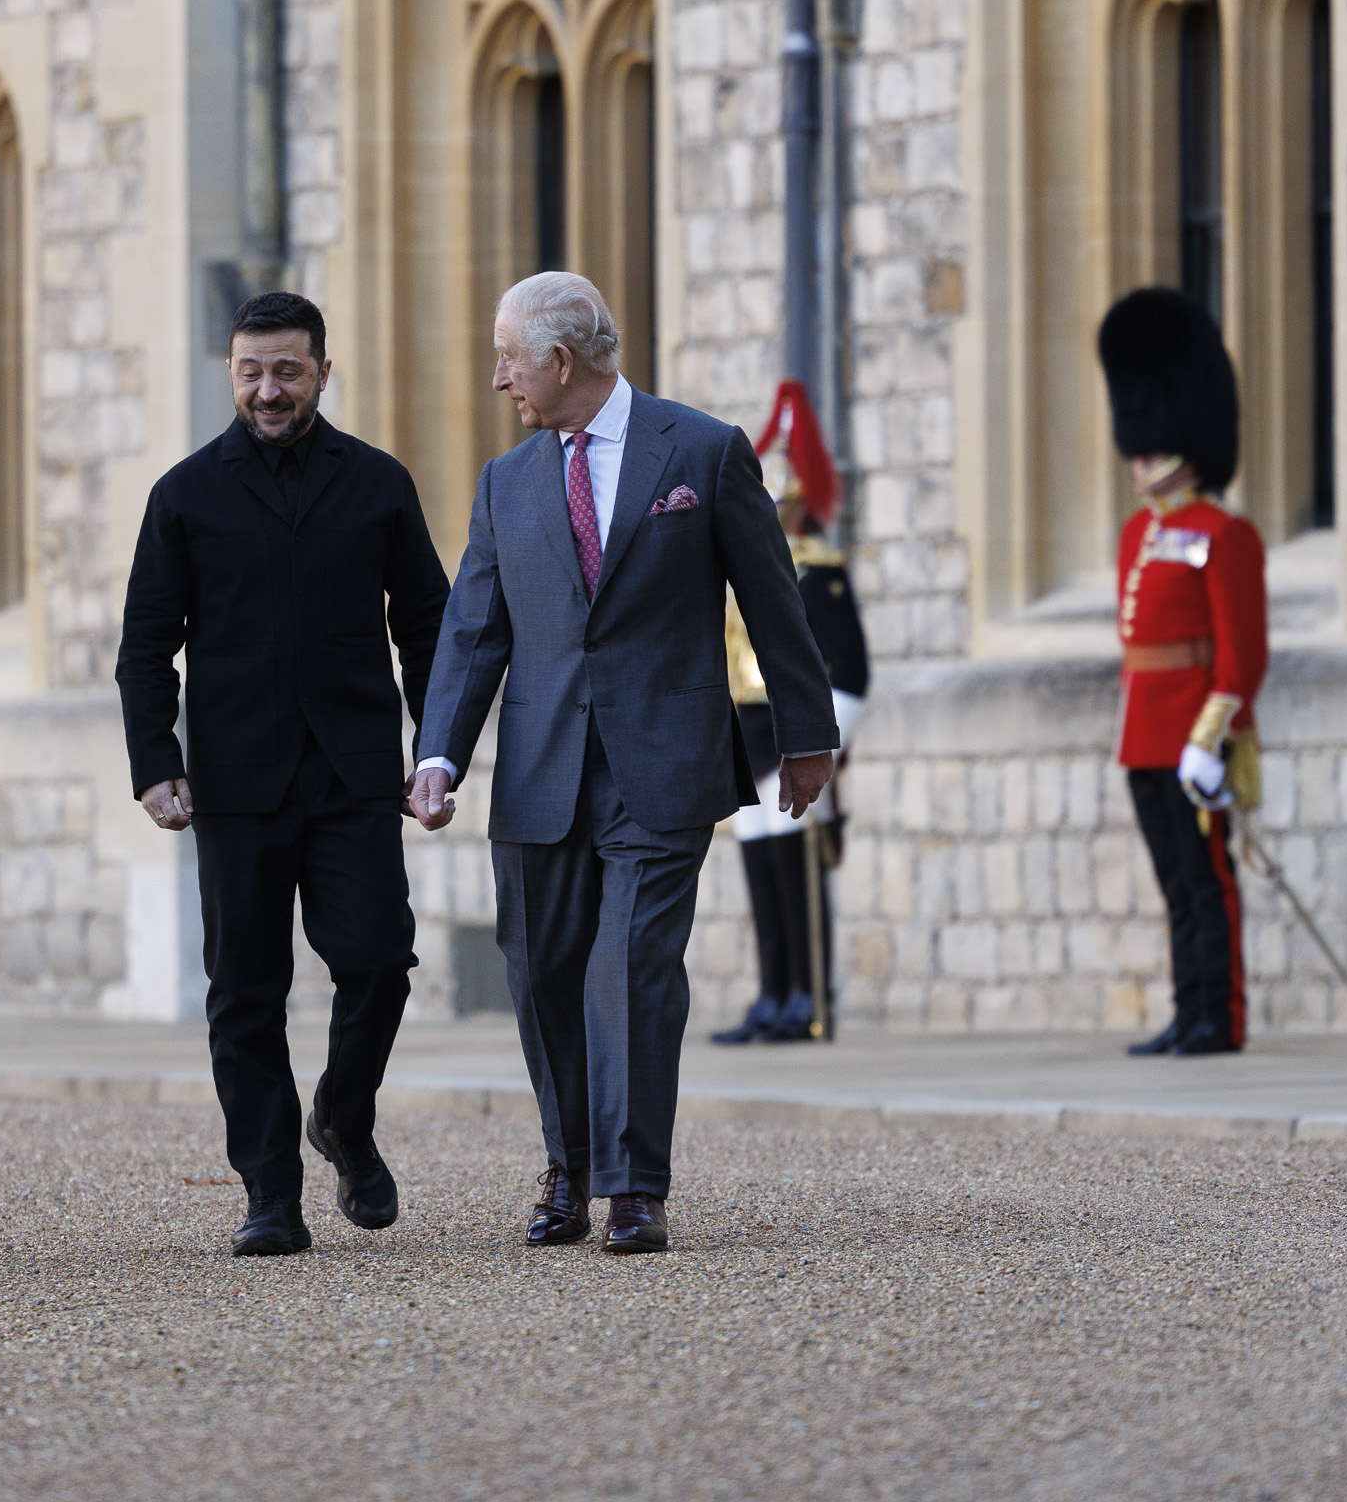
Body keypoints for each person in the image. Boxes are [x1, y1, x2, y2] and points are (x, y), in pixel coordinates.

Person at [408, 273, 836, 1255]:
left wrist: (805, 738)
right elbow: (475, 632)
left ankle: (634, 1186)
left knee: (632, 964)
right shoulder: (504, 482)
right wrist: (439, 752)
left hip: (665, 763)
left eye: (508, 358)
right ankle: (570, 1166)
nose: (496, 378)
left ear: (561, 362)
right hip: (540, 770)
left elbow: (775, 604)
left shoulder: (704, 451)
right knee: (543, 970)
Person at [115, 292, 451, 1256]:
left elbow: (426, 625)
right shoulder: (183, 495)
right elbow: (145, 647)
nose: (268, 389)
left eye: (288, 371)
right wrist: (155, 765)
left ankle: (344, 1117)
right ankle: (271, 1189)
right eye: (251, 371)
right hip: (234, 781)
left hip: (353, 777)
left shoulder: (381, 484)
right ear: (231, 372)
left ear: (322, 374)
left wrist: (436, 748)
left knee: (380, 960)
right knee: (245, 990)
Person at [1102, 288, 1268, 1059]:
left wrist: (1212, 736)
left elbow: (1241, 652)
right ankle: (1185, 1008)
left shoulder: (1222, 533)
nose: (1141, 451)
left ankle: (1220, 1015)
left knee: (1208, 881)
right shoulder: (1139, 531)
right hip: (1143, 733)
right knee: (1174, 884)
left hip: (1195, 731)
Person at [714, 379, 871, 1045]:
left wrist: (823, 744)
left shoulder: (819, 568)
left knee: (798, 868)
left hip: (796, 730)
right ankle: (774, 992)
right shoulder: (741, 567)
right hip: (750, 731)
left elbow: (852, 671)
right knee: (761, 867)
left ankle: (809, 994)